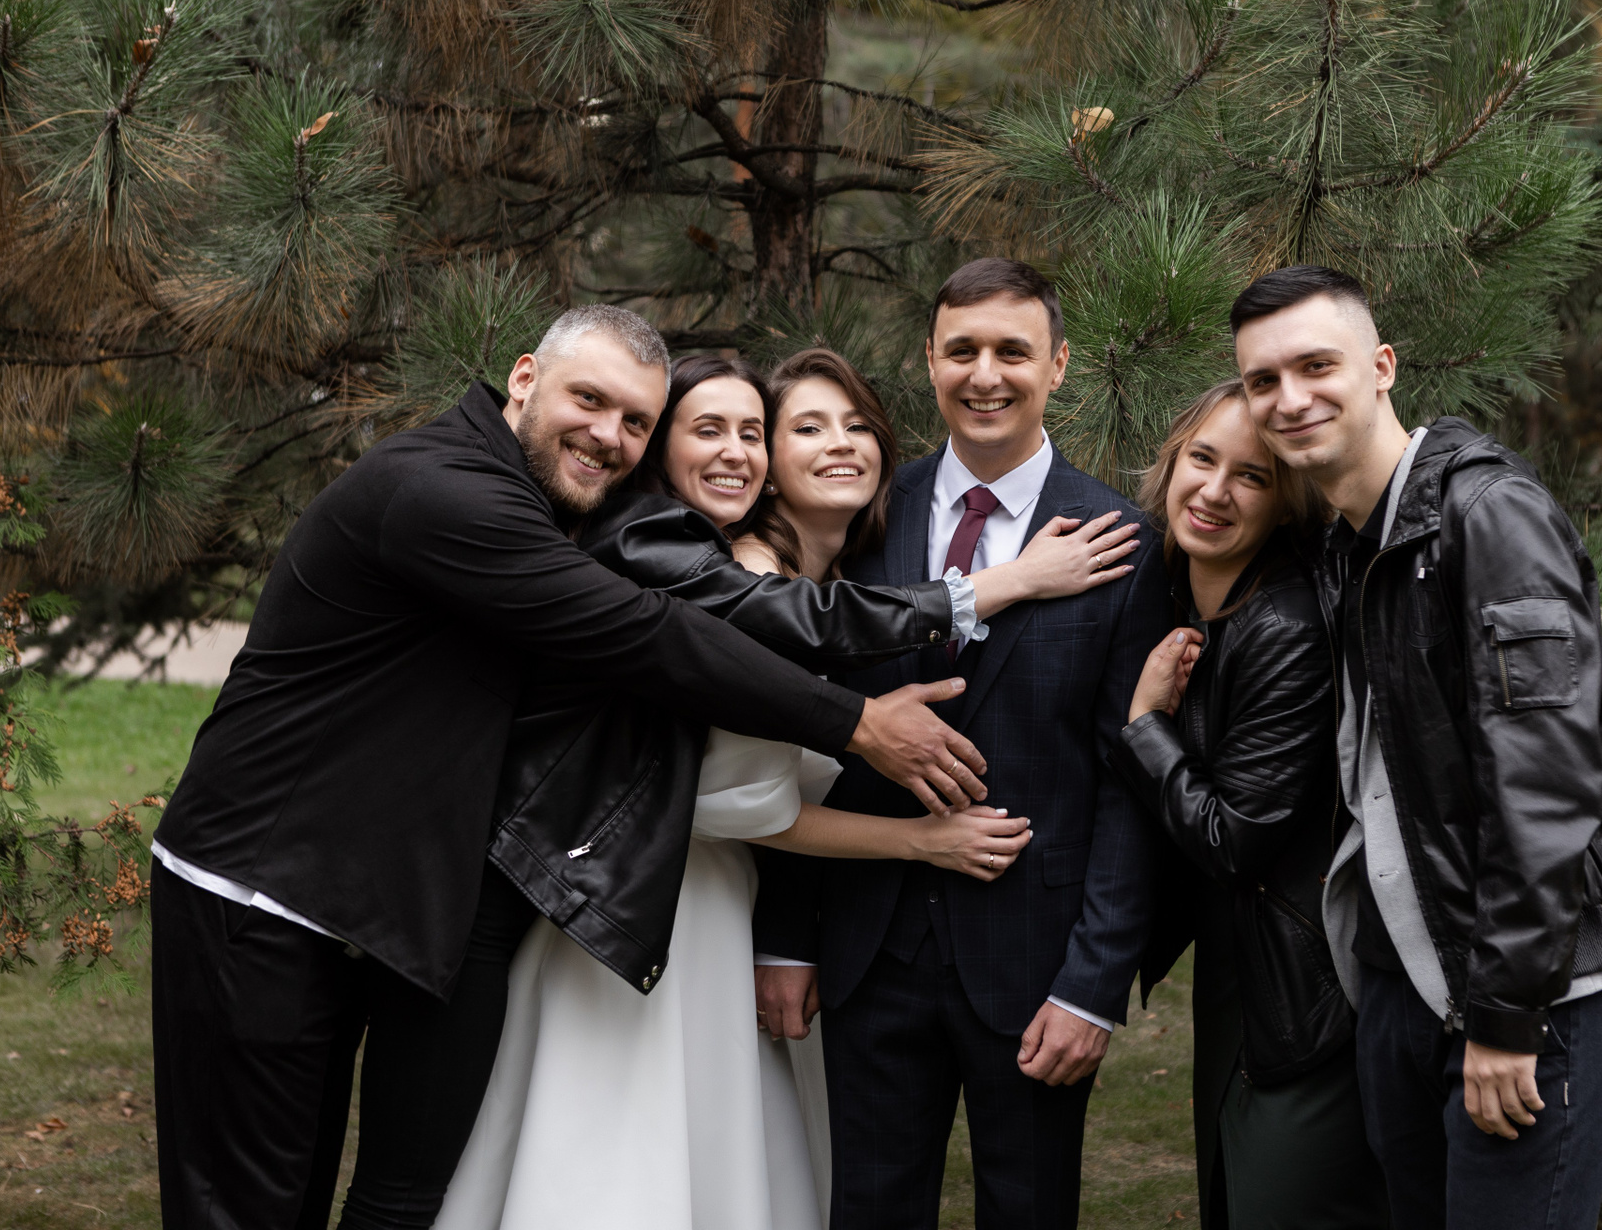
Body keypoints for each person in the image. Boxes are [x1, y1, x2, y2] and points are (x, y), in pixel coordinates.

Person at [148, 305, 995, 1230]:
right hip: (261, 888)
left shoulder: (551, 504)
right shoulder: (443, 490)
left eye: (635, 421)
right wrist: (857, 721)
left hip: (387, 901)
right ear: (524, 379)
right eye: (588, 400)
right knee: (249, 1203)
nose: (608, 435)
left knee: (367, 1193)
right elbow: (647, 633)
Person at [433, 351, 1137, 1230]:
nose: (745, 450)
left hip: (734, 918)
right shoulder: (718, 565)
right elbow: (735, 801)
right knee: (631, 1171)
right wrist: (915, 822)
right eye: (798, 427)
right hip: (656, 913)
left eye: (755, 432)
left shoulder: (831, 568)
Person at [755, 259, 1172, 1230]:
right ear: (930, 359)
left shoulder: (1120, 541)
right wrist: (785, 938)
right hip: (866, 947)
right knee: (865, 1208)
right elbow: (794, 734)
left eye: (1012, 351)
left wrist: (1092, 987)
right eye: (963, 350)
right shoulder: (861, 515)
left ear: (1058, 364)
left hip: (1035, 960)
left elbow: (1127, 783)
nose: (986, 374)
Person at [1234, 266, 1602, 1229]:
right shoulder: (1348, 541)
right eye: (1263, 380)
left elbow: (1547, 783)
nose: (1290, 398)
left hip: (1523, 999)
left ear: (1381, 367)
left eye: (1316, 366)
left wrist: (1506, 1016)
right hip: (1404, 992)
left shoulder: (1488, 514)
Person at [1110, 380, 1388, 1230]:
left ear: (1285, 502)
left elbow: (1235, 838)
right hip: (1241, 972)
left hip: (1302, 989)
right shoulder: (1178, 597)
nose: (1216, 491)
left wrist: (1145, 727)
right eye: (1203, 459)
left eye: (1253, 477)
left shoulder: (1284, 626)